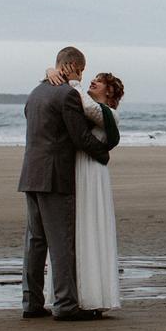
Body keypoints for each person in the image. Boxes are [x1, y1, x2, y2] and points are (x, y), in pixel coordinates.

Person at [18, 46, 118, 322]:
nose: (84, 77)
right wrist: (104, 154)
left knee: (35, 241)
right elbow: (80, 138)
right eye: (82, 70)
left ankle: (31, 302)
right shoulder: (67, 95)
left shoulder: (35, 93)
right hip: (55, 177)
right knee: (61, 242)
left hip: (30, 173)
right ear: (73, 65)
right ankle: (65, 305)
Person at [43, 65, 124, 312]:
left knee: (91, 226)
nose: (92, 82)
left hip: (92, 173)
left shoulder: (109, 113)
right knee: (72, 228)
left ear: (110, 93)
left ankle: (93, 295)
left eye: (99, 81)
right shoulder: (82, 102)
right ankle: (68, 293)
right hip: (75, 168)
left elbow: (89, 109)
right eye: (93, 79)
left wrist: (73, 82)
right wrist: (50, 71)